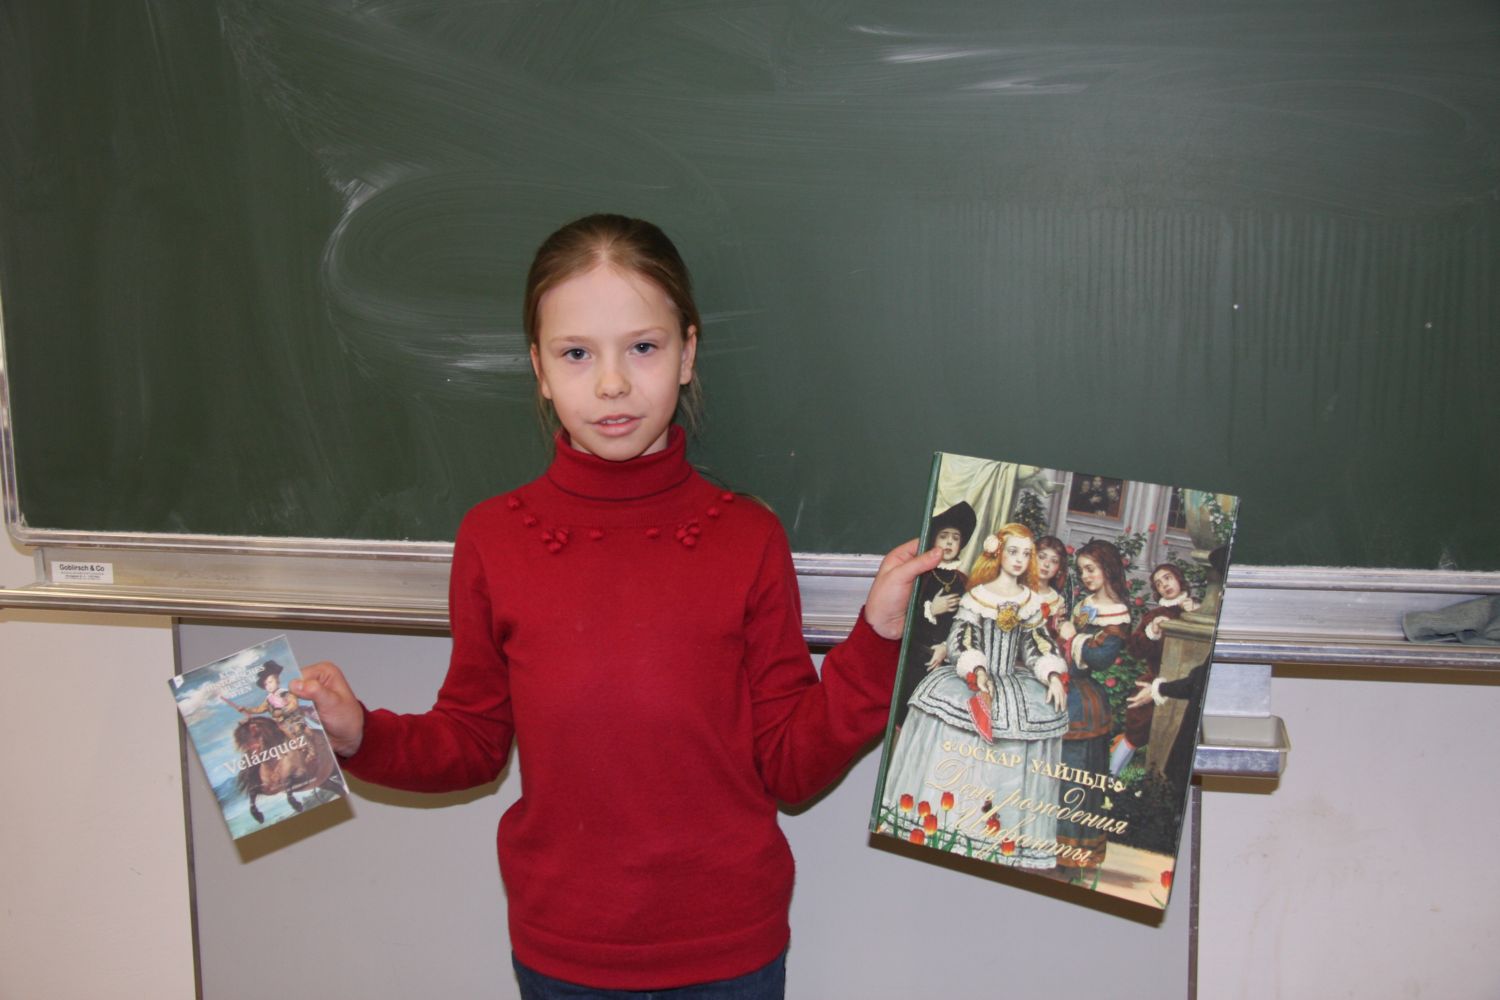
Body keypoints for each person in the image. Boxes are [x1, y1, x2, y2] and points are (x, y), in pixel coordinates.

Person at [289, 214, 938, 999]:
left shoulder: (748, 537)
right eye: (576, 353)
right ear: (538, 367)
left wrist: (878, 637)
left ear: (687, 354)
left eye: (643, 347)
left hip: (729, 954)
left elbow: (793, 765)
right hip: (564, 954)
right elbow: (471, 741)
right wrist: (361, 735)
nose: (611, 384)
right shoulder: (495, 538)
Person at [879, 523, 1069, 870]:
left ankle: (991, 840)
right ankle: (948, 832)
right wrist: (977, 670)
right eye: (1013, 552)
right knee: (960, 756)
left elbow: (1037, 643)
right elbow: (962, 638)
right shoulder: (977, 596)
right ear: (998, 553)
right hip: (971, 679)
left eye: (1026, 554)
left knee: (1003, 759)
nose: (1019, 559)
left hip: (1011, 685)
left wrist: (1052, 674)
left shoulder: (1031, 602)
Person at [1054, 538, 1132, 874]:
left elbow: (1100, 659)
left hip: (1083, 703)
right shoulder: (1085, 604)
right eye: (1082, 570)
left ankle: (1072, 857)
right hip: (1063, 688)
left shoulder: (1117, 613)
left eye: (1091, 569)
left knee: (1076, 780)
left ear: (1107, 569)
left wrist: (1071, 636)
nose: (1085, 576)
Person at [892, 501, 977, 721]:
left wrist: (946, 647)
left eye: (955, 538)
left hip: (943, 662)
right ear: (934, 540)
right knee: (904, 713)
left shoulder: (962, 581)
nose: (949, 542)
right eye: (944, 536)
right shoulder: (922, 577)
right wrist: (931, 608)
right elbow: (903, 617)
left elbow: (963, 624)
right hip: (913, 658)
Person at [1115, 563, 1200, 774]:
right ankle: (1110, 775)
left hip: (1189, 683)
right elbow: (1135, 650)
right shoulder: (1155, 615)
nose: (1165, 585)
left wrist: (1196, 613)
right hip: (1157, 681)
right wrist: (1152, 630)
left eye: (1168, 578)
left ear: (1179, 579)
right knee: (1136, 728)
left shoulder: (1199, 608)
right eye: (1159, 584)